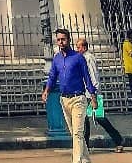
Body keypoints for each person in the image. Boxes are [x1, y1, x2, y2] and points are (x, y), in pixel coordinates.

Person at [42, 27, 97, 163]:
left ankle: (76, 160)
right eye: (59, 40)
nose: (61, 42)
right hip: (64, 99)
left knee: (78, 133)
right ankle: (85, 159)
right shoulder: (57, 59)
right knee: (75, 133)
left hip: (78, 98)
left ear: (68, 40)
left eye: (63, 39)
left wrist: (93, 96)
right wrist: (47, 90)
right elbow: (52, 76)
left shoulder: (78, 58)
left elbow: (87, 77)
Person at [76, 37, 124, 153]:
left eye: (78, 47)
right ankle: (85, 146)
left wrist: (94, 95)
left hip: (91, 94)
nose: (77, 49)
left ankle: (118, 140)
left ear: (84, 47)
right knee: (84, 121)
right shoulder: (83, 58)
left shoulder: (89, 58)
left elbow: (94, 76)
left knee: (100, 118)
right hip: (86, 93)